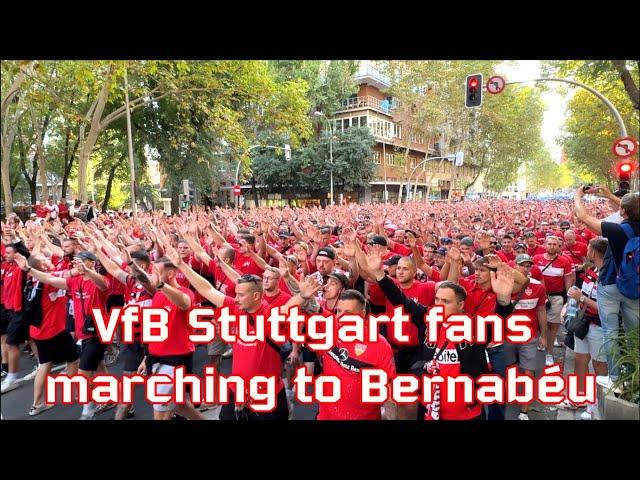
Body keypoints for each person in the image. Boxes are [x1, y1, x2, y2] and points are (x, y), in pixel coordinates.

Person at [355, 241, 517, 420]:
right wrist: (379, 273)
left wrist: (503, 300)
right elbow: (400, 299)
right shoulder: (428, 319)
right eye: (437, 300)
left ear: (461, 304)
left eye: (446, 302)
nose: (439, 305)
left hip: (466, 413)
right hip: (430, 407)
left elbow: (498, 323)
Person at [13, 250, 111, 419]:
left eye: (79, 261)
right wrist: (28, 269)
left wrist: (88, 271)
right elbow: (50, 279)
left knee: (83, 372)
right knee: (98, 365)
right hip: (79, 333)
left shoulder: (100, 281)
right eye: (74, 262)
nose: (75, 265)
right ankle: (109, 396)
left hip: (98, 332)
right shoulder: (73, 282)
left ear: (91, 263)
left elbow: (102, 284)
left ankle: (88, 409)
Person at [573, 187, 639, 391]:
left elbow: (583, 216)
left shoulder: (617, 230)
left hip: (611, 284)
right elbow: (632, 210)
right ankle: (632, 375)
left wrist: (578, 196)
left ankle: (614, 378)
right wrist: (611, 196)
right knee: (633, 333)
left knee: (610, 331)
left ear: (623, 212)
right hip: (635, 288)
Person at [135, 254, 205, 421]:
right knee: (180, 405)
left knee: (160, 411)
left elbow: (184, 302)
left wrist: (160, 285)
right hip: (157, 358)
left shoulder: (185, 293)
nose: (152, 276)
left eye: (156, 273)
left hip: (174, 362)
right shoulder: (158, 295)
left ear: (170, 274)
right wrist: (146, 358)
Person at [15, 254, 80, 415]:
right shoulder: (47, 281)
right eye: (46, 260)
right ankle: (73, 392)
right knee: (74, 359)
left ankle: (37, 404)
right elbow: (68, 275)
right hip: (54, 330)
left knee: (45, 364)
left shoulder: (32, 280)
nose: (49, 260)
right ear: (42, 267)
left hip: (38, 331)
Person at [559, 238, 609, 419]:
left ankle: (597, 405)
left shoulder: (608, 275)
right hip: (583, 324)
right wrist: (569, 307)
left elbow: (605, 308)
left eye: (589, 248)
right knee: (580, 360)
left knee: (599, 366)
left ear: (595, 252)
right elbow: (582, 296)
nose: (586, 250)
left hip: (599, 327)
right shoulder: (591, 270)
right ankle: (578, 397)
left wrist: (581, 298)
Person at [504, 254, 547, 420]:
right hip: (507, 336)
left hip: (529, 337)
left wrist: (543, 335)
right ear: (515, 266)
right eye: (522, 265)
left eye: (529, 266)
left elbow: (541, 311)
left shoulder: (538, 287)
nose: (526, 269)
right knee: (507, 369)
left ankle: (523, 411)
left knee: (529, 371)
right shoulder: (505, 286)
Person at [532, 236, 575, 366]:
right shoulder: (536, 259)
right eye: (549, 244)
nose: (552, 246)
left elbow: (568, 279)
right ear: (545, 245)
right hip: (538, 297)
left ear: (559, 246)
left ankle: (549, 353)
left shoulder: (565, 261)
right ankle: (536, 350)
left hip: (556, 297)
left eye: (555, 244)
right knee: (537, 325)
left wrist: (569, 298)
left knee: (552, 327)